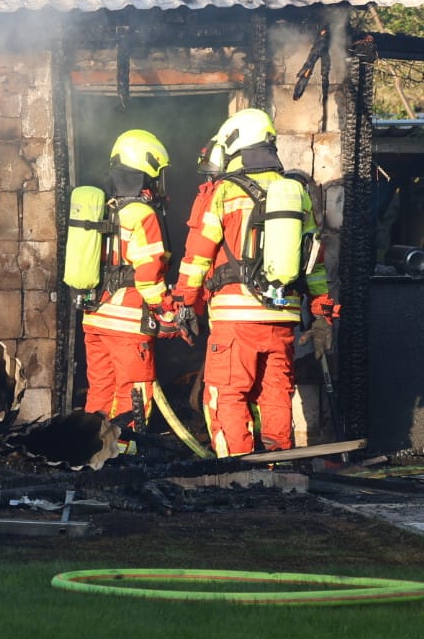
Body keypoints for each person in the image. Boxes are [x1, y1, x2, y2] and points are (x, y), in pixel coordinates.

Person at [172, 108, 332, 456]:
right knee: (275, 395)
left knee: (227, 394)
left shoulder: (223, 192)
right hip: (283, 317)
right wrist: (322, 312)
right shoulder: (297, 192)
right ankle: (279, 468)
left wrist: (184, 302)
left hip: (235, 318)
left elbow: (197, 256)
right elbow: (314, 262)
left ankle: (238, 471)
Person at [80, 129, 176, 449]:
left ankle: (91, 454)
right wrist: (166, 309)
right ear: (145, 170)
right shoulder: (143, 214)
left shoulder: (103, 209)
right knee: (133, 392)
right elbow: (147, 275)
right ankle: (124, 457)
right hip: (127, 323)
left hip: (95, 318)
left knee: (100, 391)